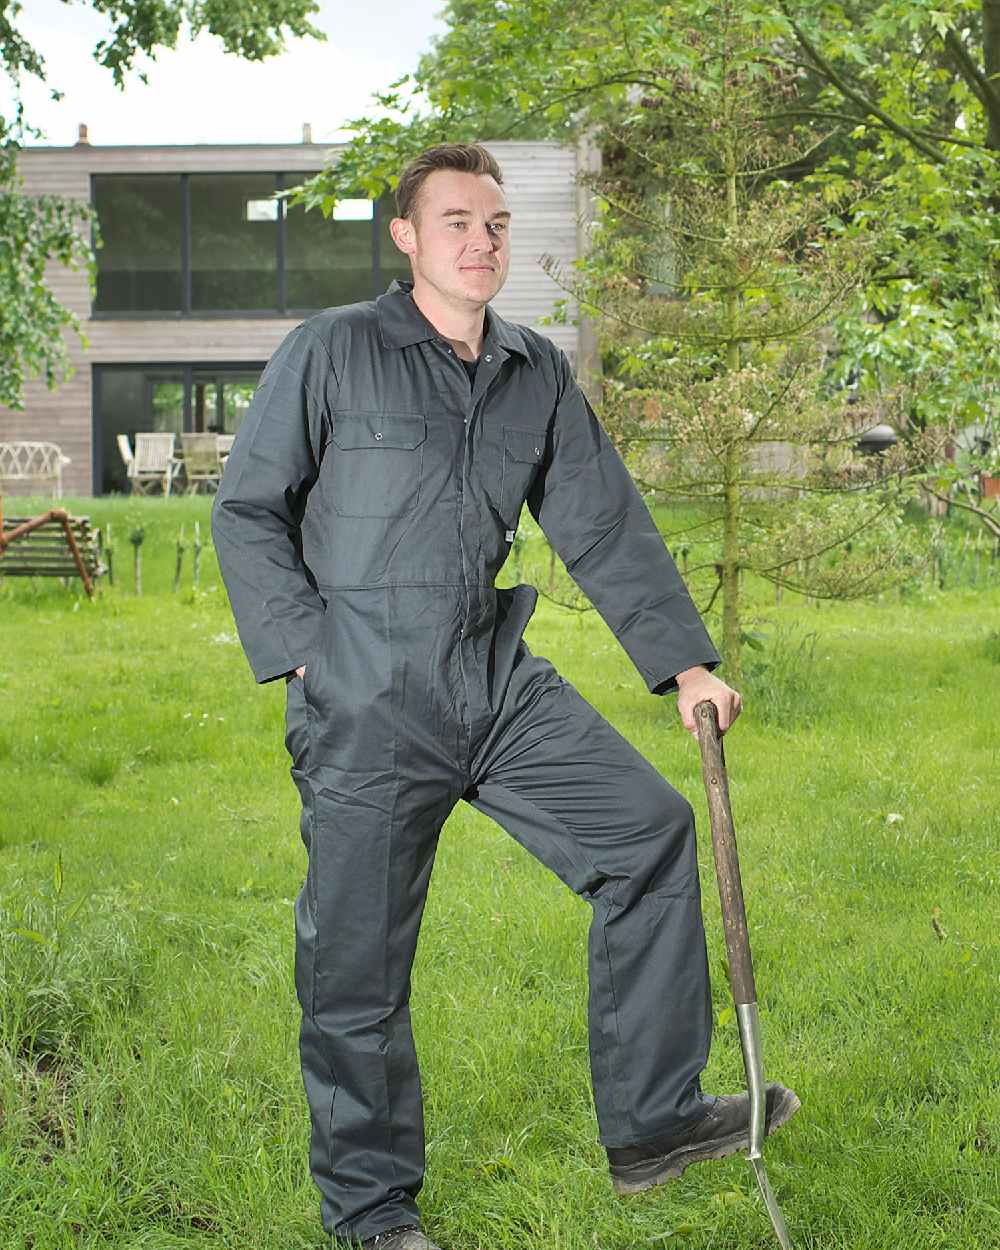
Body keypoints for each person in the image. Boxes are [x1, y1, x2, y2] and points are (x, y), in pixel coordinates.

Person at [211, 143, 798, 1250]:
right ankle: (373, 1210)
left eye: (494, 224)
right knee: (359, 964)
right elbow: (247, 510)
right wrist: (306, 659)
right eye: (455, 223)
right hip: (366, 693)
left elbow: (602, 521)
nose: (479, 242)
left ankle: (655, 1121)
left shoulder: (533, 369)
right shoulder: (331, 352)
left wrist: (684, 663)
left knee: (646, 834)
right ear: (405, 237)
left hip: (491, 676)